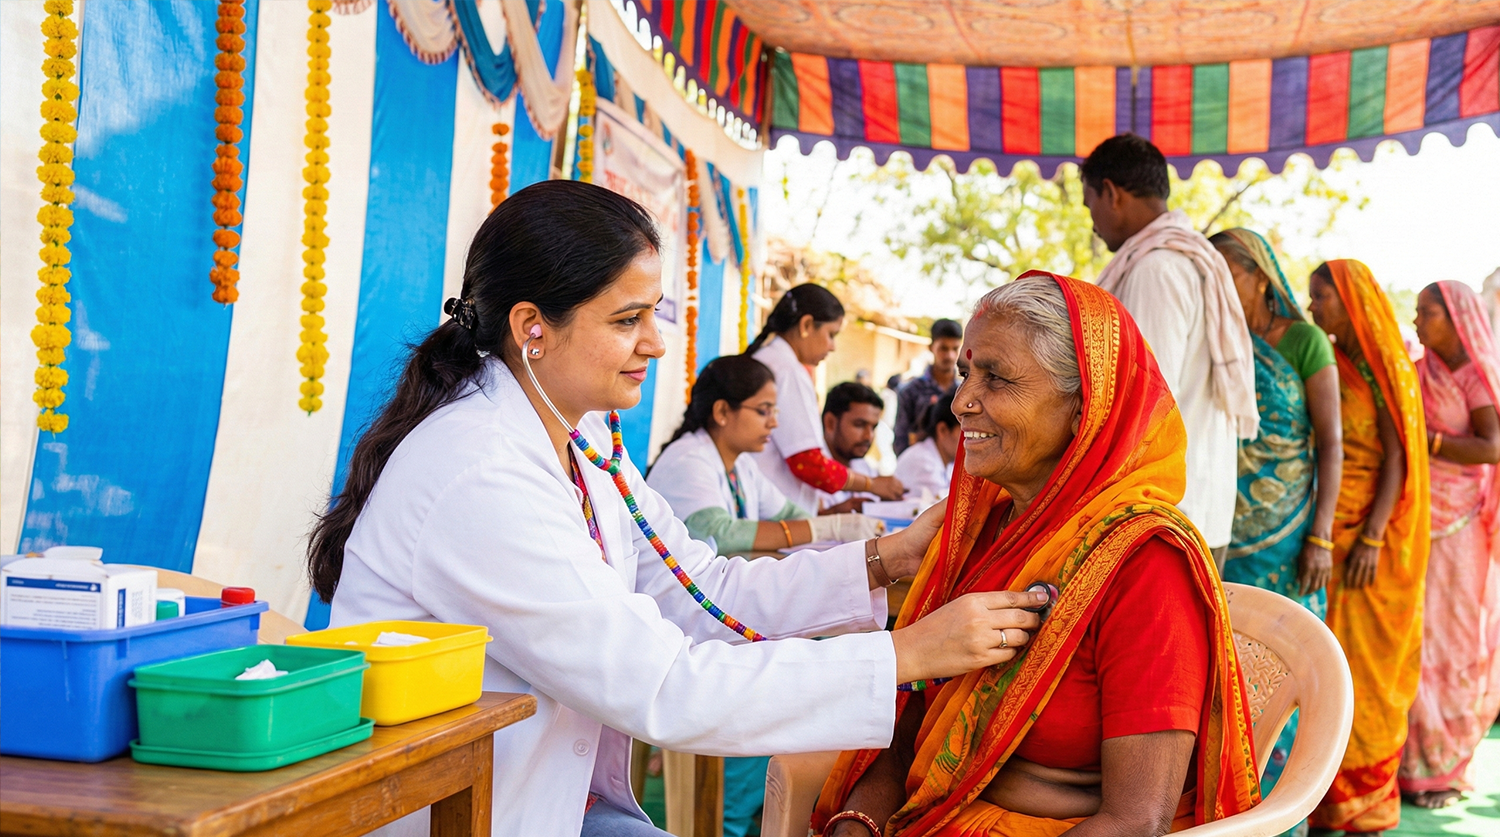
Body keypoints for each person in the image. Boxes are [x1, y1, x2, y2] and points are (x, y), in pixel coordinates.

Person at [307, 181, 1045, 836]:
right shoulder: (480, 472)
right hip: (480, 815)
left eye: (653, 313)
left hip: (558, 800)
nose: (656, 344)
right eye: (628, 319)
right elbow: (663, 685)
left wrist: (888, 557)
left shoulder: (583, 437)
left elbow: (703, 588)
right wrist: (910, 653)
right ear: (533, 326)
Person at [815, 272, 1261, 837]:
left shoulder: (1145, 562)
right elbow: (914, 731)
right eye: (965, 374)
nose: (960, 402)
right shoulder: (983, 531)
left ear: (1084, 409)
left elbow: (1133, 821)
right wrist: (856, 825)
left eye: (995, 378)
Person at [1209, 229, 1343, 813]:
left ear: (1259, 275)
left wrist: (1322, 536)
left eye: (1227, 276)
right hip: (1225, 527)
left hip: (1290, 536)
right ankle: (1230, 803)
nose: (1219, 290)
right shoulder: (1221, 341)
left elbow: (1331, 443)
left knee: (1284, 667)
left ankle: (1282, 810)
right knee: (1228, 669)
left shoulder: (1305, 341)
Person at [1083, 135, 1259, 565]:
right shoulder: (1187, 259)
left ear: (1111, 193)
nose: (1092, 223)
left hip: (1165, 513)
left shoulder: (1157, 269)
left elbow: (1145, 404)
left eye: (1091, 207)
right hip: (1196, 505)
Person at [1305, 259, 1430, 835]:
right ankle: (1324, 796)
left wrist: (1374, 536)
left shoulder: (1382, 369)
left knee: (1367, 675)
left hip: (1368, 544)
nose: (1312, 310)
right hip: (1334, 529)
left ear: (1349, 302)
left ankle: (1364, 805)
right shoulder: (1338, 362)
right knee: (1333, 669)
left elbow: (1400, 456)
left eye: (1320, 299)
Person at [1400, 281, 1500, 809]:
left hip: (1459, 528)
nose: (1417, 321)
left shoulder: (1472, 376)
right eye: (1416, 312)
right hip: (1417, 518)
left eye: (1427, 312)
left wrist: (1429, 439)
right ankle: (1410, 765)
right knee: (1417, 639)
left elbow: (1492, 445)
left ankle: (1445, 769)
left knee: (1453, 645)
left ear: (1456, 317)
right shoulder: (1419, 369)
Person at [648, 356, 882, 557]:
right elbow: (719, 534)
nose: (774, 423)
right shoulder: (688, 459)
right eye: (763, 411)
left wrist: (828, 528)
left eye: (774, 411)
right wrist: (829, 528)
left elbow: (789, 514)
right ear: (721, 412)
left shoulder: (742, 465)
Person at [750, 286, 904, 516]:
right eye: (831, 335)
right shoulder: (788, 370)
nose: (832, 346)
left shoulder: (770, 360)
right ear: (806, 326)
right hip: (774, 516)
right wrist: (872, 484)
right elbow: (808, 463)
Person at [895, 318, 963, 455]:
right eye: (943, 348)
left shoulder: (964, 392)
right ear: (931, 347)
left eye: (955, 349)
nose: (950, 355)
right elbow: (900, 442)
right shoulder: (910, 391)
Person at [822, 382, 886, 513]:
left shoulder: (864, 467)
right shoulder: (808, 469)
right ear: (830, 423)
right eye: (859, 425)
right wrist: (833, 514)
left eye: (873, 428)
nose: (869, 436)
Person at [893, 390, 958, 500]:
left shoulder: (947, 461)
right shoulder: (923, 462)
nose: (973, 440)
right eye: (967, 432)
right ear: (943, 430)